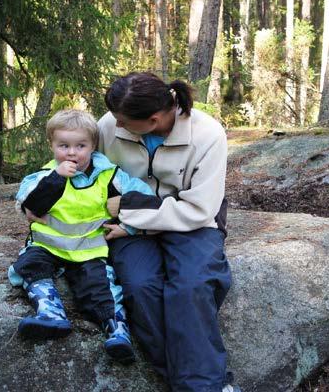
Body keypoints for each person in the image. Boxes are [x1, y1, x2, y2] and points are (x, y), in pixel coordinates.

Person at [98, 72, 240, 392]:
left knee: (192, 286)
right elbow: (82, 166)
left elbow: (200, 209)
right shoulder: (108, 125)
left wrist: (131, 211)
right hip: (128, 226)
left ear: (152, 119)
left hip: (191, 220)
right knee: (139, 286)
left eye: (122, 121)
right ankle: (196, 383)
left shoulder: (208, 135)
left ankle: (202, 387)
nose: (115, 125)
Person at [11, 109, 154, 363]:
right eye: (63, 145)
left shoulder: (111, 176)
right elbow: (31, 206)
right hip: (48, 247)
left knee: (100, 286)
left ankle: (116, 329)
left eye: (80, 146)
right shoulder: (42, 176)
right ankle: (50, 312)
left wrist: (129, 227)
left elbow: (146, 201)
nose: (72, 153)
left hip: (90, 250)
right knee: (30, 265)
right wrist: (56, 178)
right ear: (51, 145)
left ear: (93, 146)